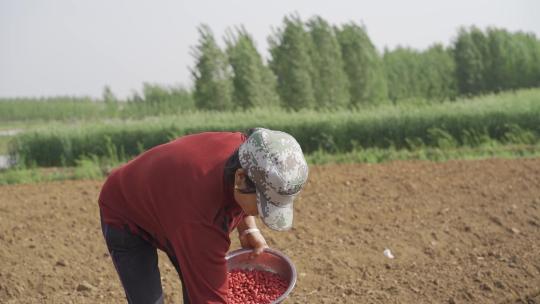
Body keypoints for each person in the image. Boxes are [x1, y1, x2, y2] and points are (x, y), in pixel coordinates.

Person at [98, 128, 309, 304]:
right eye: (263, 205)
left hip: (173, 204)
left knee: (198, 282)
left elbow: (239, 193)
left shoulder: (251, 151)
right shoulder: (203, 223)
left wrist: (248, 228)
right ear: (241, 178)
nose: (263, 215)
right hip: (125, 211)